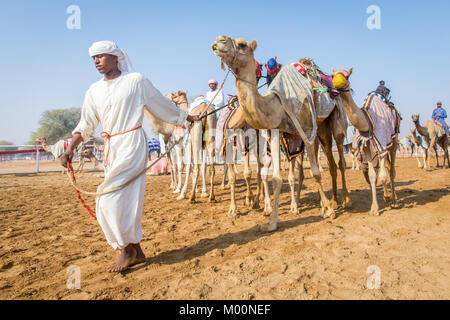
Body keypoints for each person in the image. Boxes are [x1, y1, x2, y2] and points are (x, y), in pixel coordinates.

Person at [60, 40, 198, 272]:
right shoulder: (93, 90)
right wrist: (70, 148)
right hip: (111, 147)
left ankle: (125, 249)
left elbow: (160, 105)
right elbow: (86, 123)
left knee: (107, 198)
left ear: (116, 58)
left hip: (132, 142)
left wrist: (186, 117)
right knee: (124, 197)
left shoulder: (136, 81)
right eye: (93, 58)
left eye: (101, 56)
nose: (96, 61)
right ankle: (137, 250)